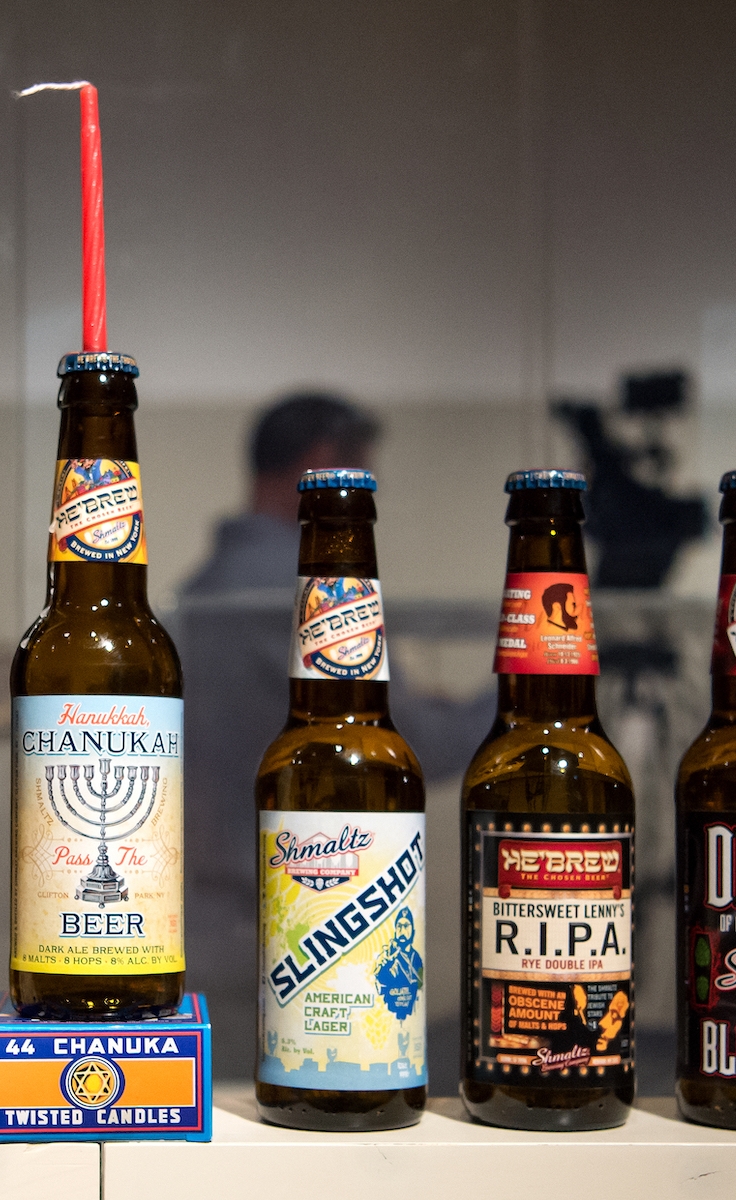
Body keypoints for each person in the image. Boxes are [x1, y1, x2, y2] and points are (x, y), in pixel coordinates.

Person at [176, 392, 494, 1078]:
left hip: (219, 919)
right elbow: (413, 738)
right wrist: (519, 700)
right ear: (323, 462)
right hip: (274, 922)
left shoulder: (206, 583)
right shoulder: (281, 585)